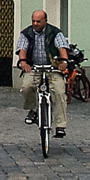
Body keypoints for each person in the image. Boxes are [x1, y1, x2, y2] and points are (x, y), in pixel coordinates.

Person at [15, 9, 70, 138]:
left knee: (59, 92)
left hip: (53, 68)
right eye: (33, 21)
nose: (35, 23)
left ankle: (60, 126)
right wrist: (23, 62)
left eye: (38, 21)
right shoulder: (26, 33)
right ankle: (33, 110)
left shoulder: (55, 32)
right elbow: (22, 48)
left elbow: (62, 48)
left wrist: (63, 62)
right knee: (26, 87)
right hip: (34, 67)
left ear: (45, 21)